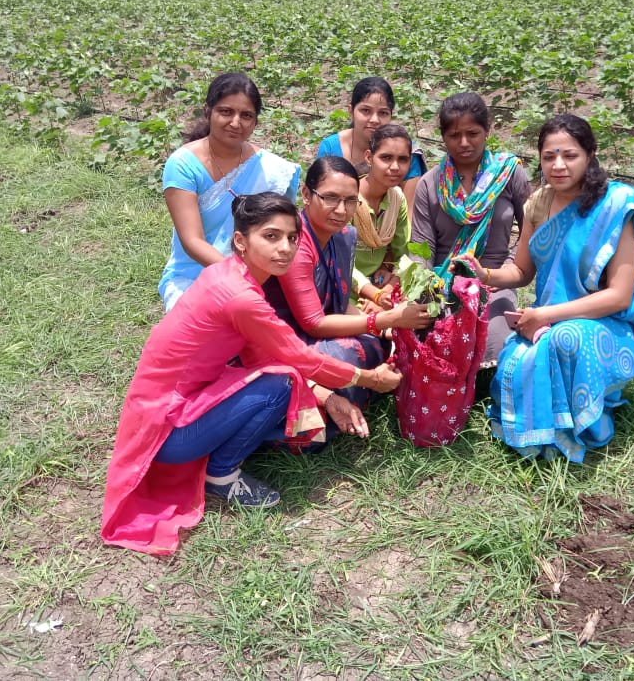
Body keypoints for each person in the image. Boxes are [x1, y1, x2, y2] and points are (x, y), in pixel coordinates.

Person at [102, 193, 403, 555]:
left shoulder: (227, 275)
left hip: (156, 415)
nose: (285, 248)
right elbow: (298, 356)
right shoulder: (240, 297)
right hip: (166, 433)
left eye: (292, 237)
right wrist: (369, 379)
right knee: (282, 384)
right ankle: (222, 473)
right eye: (271, 236)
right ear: (241, 241)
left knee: (288, 387)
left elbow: (260, 352)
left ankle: (229, 447)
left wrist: (328, 396)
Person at [459, 115, 634, 463]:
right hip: (548, 319)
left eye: (570, 155)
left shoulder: (616, 205)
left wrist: (545, 315)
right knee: (516, 357)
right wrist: (484, 273)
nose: (558, 165)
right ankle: (539, 435)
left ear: (590, 155)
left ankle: (583, 429)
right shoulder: (539, 203)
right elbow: (522, 271)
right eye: (549, 156)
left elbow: (620, 296)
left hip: (605, 325)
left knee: (565, 339)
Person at [263, 156, 431, 411]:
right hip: (282, 340)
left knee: (381, 341)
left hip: (320, 330)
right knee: (348, 353)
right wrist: (386, 319)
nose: (341, 210)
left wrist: (384, 328)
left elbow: (338, 303)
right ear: (306, 194)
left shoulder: (341, 236)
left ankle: (358, 388)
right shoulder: (294, 244)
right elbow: (314, 323)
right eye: (330, 198)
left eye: (351, 200)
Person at [158, 72, 300, 312]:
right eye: (226, 112)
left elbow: (282, 231)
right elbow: (192, 241)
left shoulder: (268, 168)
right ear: (208, 111)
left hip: (260, 275)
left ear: (255, 122)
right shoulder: (183, 164)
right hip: (194, 275)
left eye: (246, 115)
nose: (236, 122)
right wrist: (240, 279)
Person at [410, 92, 531, 365]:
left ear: (488, 130)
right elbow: (421, 248)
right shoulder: (430, 184)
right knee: (437, 340)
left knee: (495, 341)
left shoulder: (509, 174)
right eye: (454, 135)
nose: (464, 143)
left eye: (473, 133)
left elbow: (529, 235)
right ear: (443, 137)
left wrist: (504, 273)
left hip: (495, 281)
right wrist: (427, 295)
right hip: (443, 282)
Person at [315, 77, 427, 215]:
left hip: (392, 225)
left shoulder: (405, 152)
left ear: (391, 115)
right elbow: (320, 202)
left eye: (383, 113)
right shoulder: (331, 147)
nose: (374, 120)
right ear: (351, 111)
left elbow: (410, 212)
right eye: (366, 111)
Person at [351, 124, 413, 312]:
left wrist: (389, 288)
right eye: (386, 158)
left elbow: (404, 253)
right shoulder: (348, 198)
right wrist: (376, 296)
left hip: (381, 286)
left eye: (403, 159)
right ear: (369, 158)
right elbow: (339, 261)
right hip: (345, 289)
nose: (395, 167)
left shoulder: (397, 199)